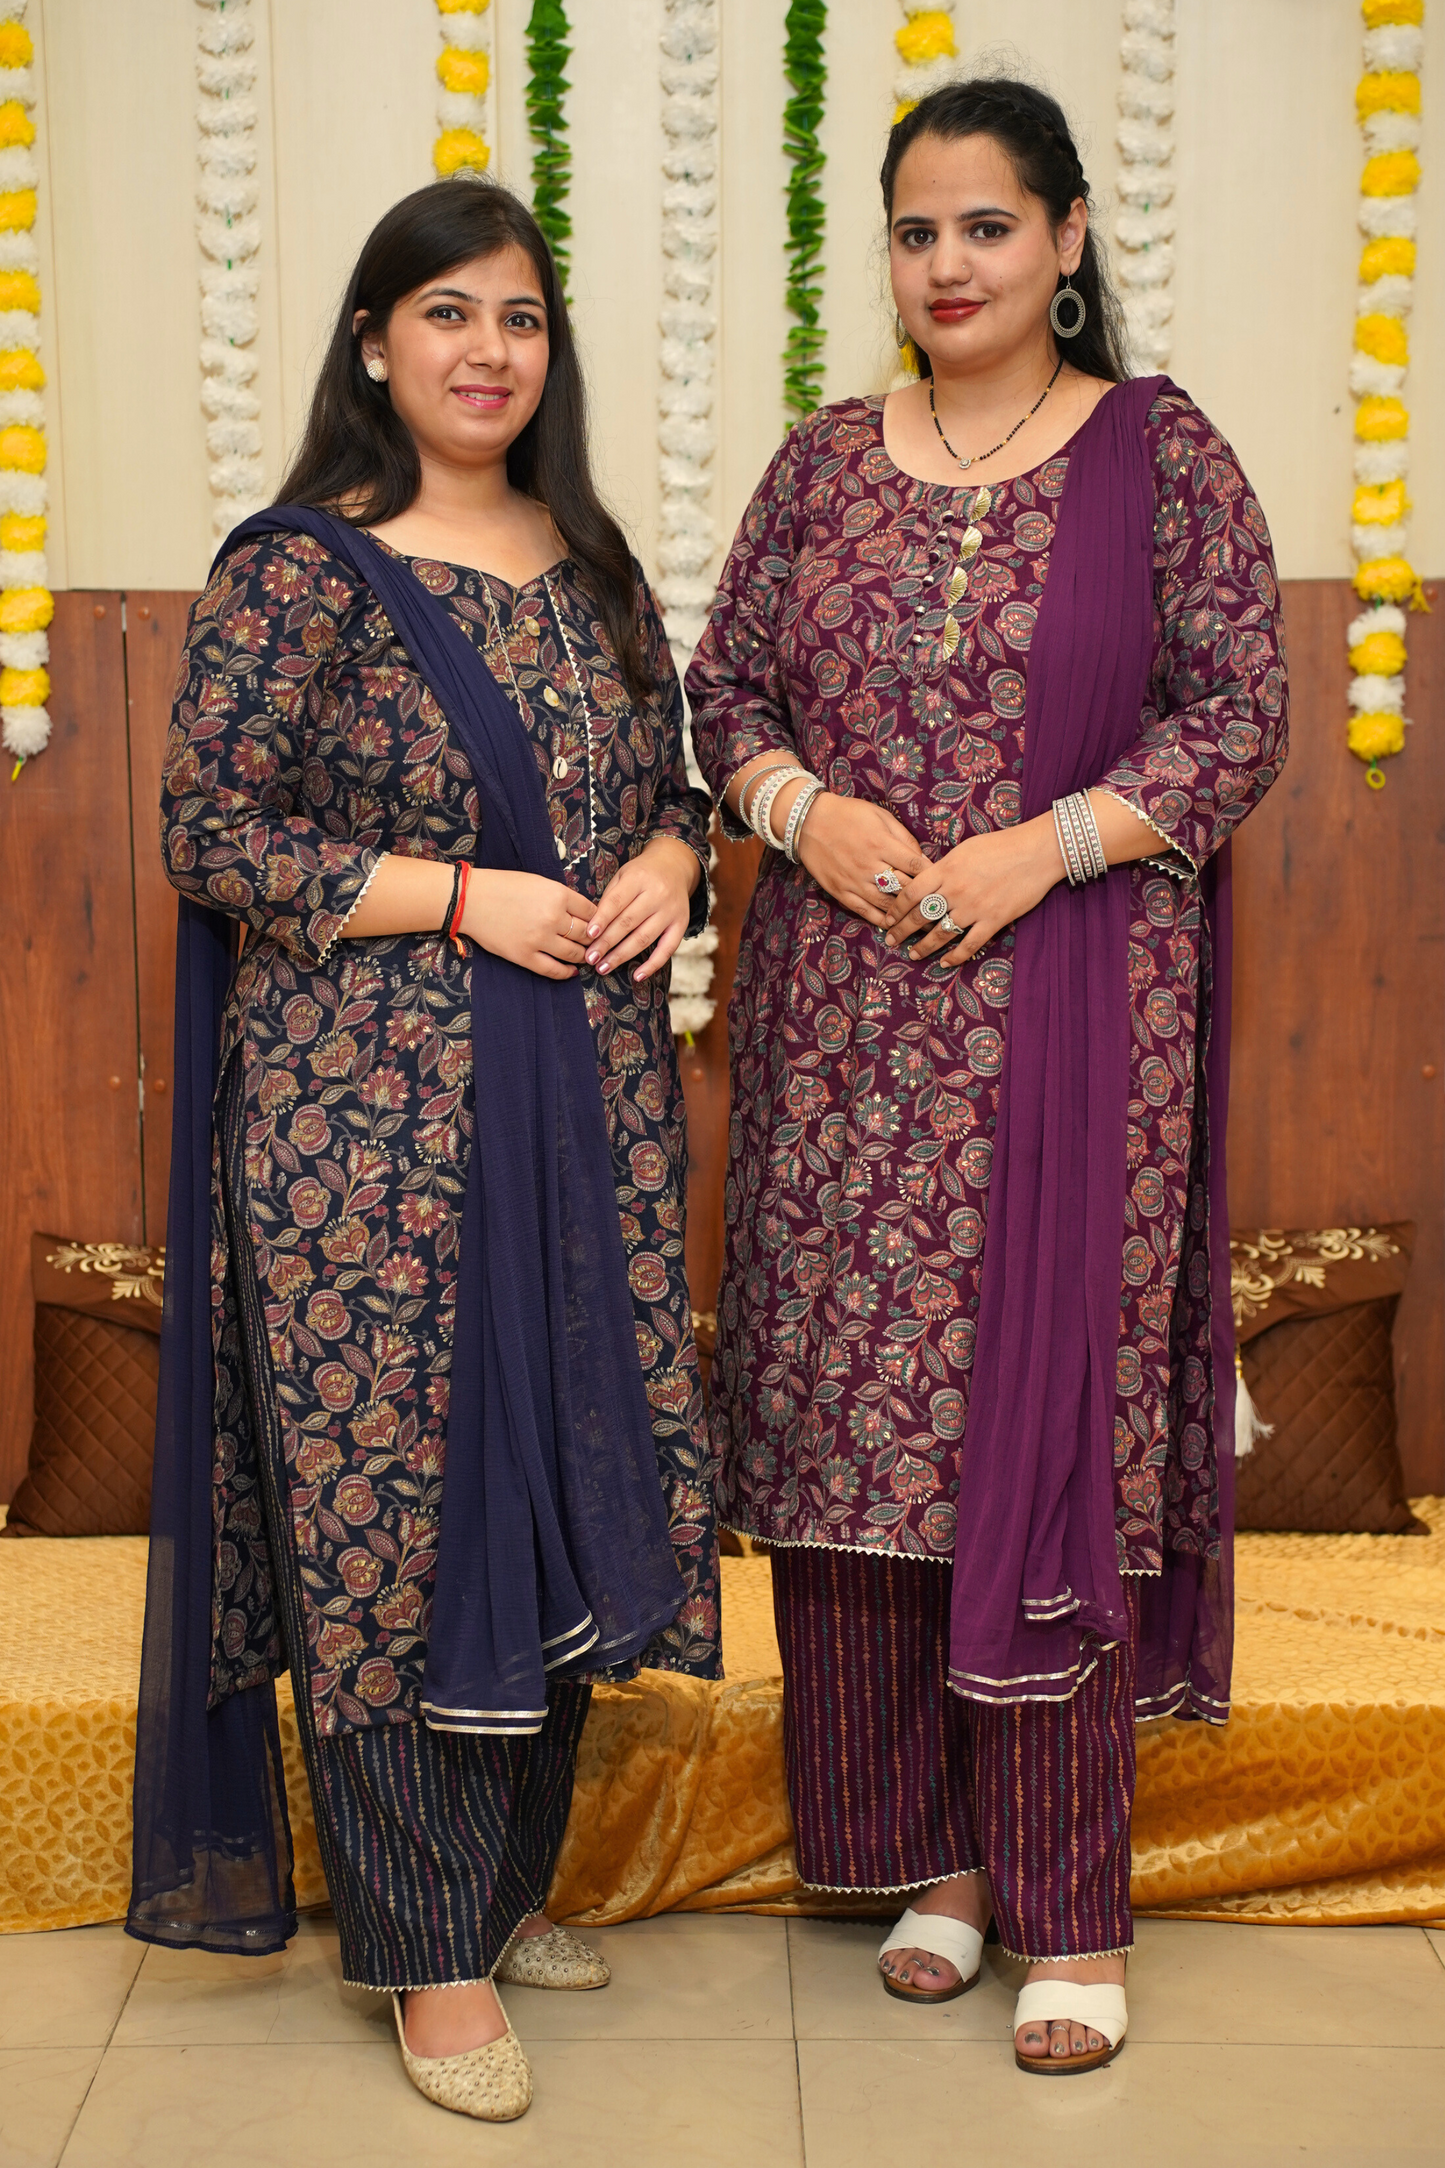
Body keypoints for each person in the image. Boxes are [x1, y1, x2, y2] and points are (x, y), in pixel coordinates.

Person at [688, 78, 1286, 2075]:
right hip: (841, 1033)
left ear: (1066, 238)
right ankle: (932, 1860)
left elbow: (1238, 713)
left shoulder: (1156, 452)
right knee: (863, 1435)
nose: (948, 265)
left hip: (1069, 1019)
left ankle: (1068, 1903)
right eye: (916, 230)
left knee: (1042, 1431)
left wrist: (1049, 845)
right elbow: (724, 690)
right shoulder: (819, 464)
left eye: (987, 226)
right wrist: (805, 808)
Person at [128, 177, 719, 2122]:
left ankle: (498, 1879)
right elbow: (213, 830)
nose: (487, 349)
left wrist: (667, 857)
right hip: (364, 1136)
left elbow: (668, 787)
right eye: (446, 312)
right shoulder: (304, 568)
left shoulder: (590, 561)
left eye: (519, 317)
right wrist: (462, 896)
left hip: (587, 1113)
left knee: (552, 1475)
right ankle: (421, 1949)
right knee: (389, 1506)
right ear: (375, 343)